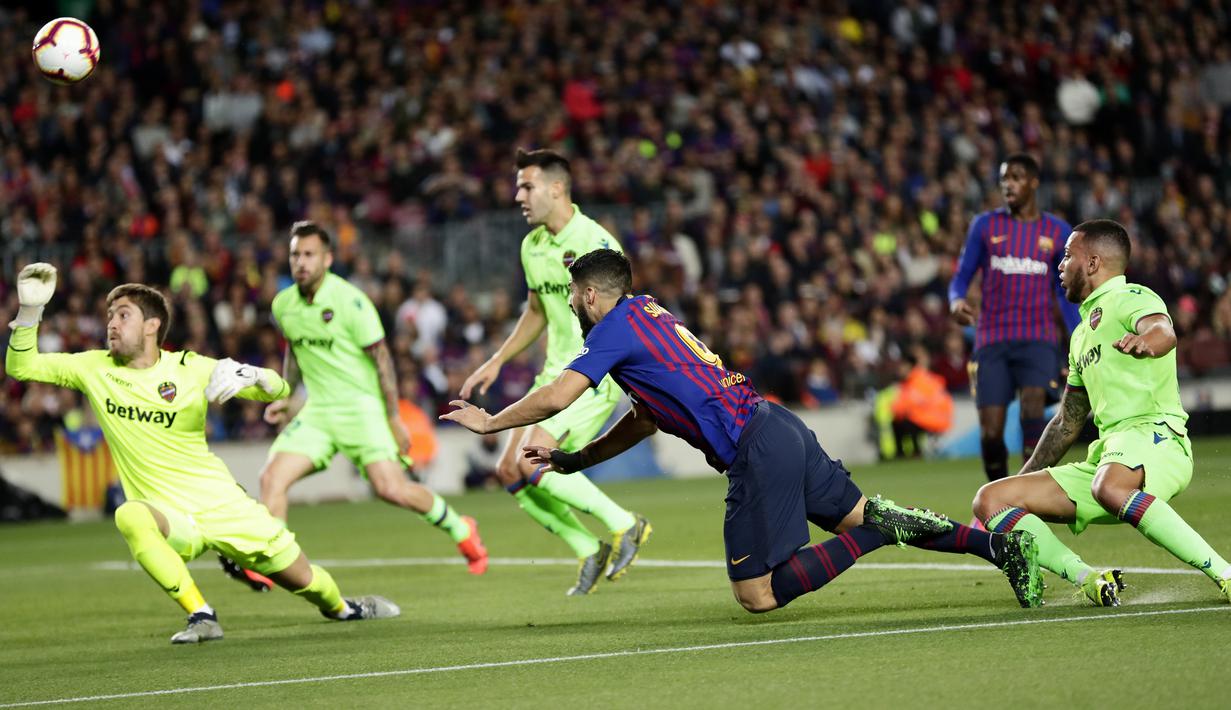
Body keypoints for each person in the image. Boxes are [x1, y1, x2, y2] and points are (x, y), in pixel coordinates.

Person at [443, 249, 1044, 612]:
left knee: (757, 593)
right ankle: (999, 547)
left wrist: (494, 422)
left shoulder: (612, 330)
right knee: (861, 510)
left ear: (591, 295)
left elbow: (556, 395)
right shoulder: (645, 314)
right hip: (776, 424)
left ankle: (877, 535)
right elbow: (645, 420)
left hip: (756, 448)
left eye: (573, 296)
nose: (570, 305)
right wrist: (576, 461)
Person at [4, 264, 399, 643]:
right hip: (170, 515)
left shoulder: (189, 368)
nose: (111, 323)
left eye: (123, 315)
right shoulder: (93, 368)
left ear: (152, 325)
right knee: (130, 515)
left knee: (305, 581)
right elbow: (22, 367)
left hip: (223, 504)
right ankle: (202, 615)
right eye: (110, 315)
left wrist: (256, 375)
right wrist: (30, 311)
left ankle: (344, 608)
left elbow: (279, 389)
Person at [973, 219, 1231, 606]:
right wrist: (1022, 482)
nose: (1058, 265)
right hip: (1110, 459)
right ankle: (1090, 578)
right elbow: (1067, 421)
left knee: (1110, 485)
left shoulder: (1131, 297)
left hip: (1158, 438)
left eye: (1066, 256)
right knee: (991, 499)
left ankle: (1224, 573)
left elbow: (1164, 330)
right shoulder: (1080, 336)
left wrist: (1147, 341)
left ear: (1092, 263)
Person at [248, 221, 487, 586]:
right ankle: (274, 561)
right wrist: (287, 396)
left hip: (361, 409)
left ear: (327, 259)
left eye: (309, 254)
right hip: (318, 412)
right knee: (271, 478)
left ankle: (460, 526)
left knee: (392, 489)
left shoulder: (351, 302)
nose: (301, 262)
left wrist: (393, 418)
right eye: (296, 254)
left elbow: (383, 360)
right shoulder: (283, 305)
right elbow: (296, 351)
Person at [458, 149, 649, 595]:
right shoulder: (532, 245)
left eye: (527, 186)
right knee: (509, 471)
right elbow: (535, 311)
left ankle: (625, 524)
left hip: (592, 374)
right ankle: (586, 547)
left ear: (556, 188)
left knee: (533, 458)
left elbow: (623, 318)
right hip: (552, 374)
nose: (518, 195)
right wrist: (496, 360)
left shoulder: (597, 244)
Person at [949, 154, 1081, 481]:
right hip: (991, 338)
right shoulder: (984, 225)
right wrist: (956, 301)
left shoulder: (1057, 230)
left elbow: (1065, 296)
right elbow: (961, 277)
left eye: (1016, 177)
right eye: (1004, 178)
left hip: (1039, 339)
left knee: (1033, 409)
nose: (1008, 184)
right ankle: (995, 498)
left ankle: (1025, 497)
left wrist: (1079, 335)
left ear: (1034, 182)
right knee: (991, 431)